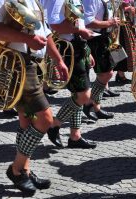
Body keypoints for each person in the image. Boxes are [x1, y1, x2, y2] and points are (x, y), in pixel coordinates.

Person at [0, 0, 68, 195]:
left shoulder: (36, 1)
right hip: (16, 64)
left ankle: (25, 171)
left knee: (26, 120)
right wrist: (26, 39)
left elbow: (45, 33)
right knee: (45, 119)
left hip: (33, 64)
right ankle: (16, 168)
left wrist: (58, 60)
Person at [45, 0, 97, 149]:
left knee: (78, 94)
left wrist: (87, 50)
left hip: (78, 46)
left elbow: (77, 20)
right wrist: (81, 32)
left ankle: (75, 136)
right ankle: (55, 124)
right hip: (68, 49)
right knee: (83, 95)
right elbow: (54, 23)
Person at [82, 0, 120, 121]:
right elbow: (87, 22)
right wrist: (109, 22)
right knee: (105, 73)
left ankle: (95, 107)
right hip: (94, 39)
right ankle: (89, 103)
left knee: (105, 73)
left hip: (104, 37)